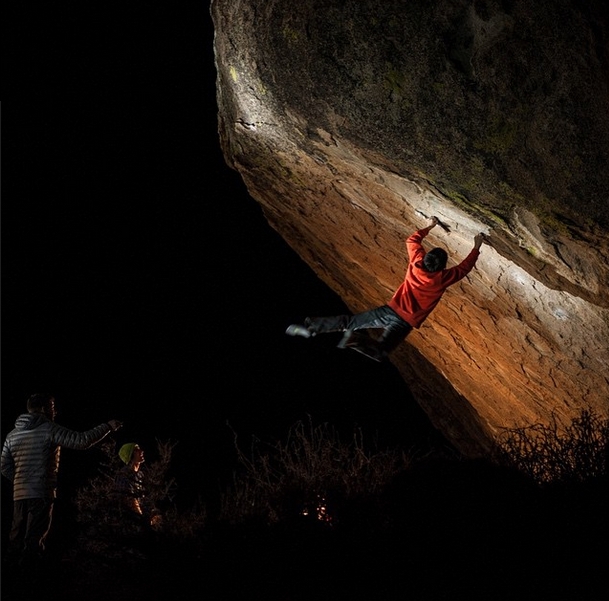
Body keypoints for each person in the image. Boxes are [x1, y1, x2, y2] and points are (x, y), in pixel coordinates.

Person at [286, 217, 486, 361]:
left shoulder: (416, 261)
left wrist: (430, 226)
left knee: (350, 321)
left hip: (390, 310)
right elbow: (464, 268)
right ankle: (353, 340)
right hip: (405, 322)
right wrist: (476, 246)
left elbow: (412, 241)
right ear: (442, 267)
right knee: (380, 352)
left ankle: (311, 326)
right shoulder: (442, 278)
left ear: (425, 258)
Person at [0, 393, 122, 567]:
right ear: (43, 408)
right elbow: (81, 440)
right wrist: (107, 426)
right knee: (34, 540)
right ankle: (30, 582)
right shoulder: (49, 428)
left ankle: (10, 580)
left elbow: (4, 466)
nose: (54, 411)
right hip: (41, 491)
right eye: (51, 406)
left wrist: (21, 480)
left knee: (15, 538)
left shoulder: (12, 435)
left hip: (19, 494)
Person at [113, 442, 161, 529]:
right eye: (136, 450)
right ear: (130, 455)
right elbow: (129, 499)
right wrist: (142, 519)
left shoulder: (140, 474)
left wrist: (154, 514)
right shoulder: (124, 475)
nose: (141, 451)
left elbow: (144, 497)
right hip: (130, 521)